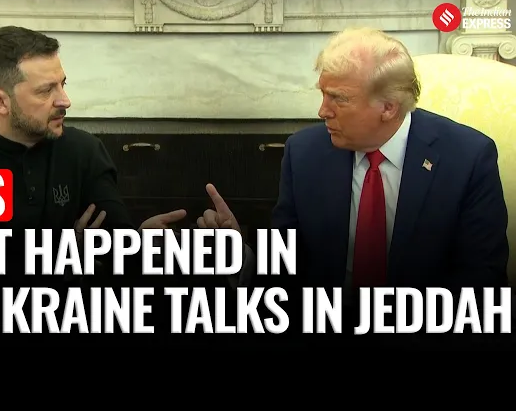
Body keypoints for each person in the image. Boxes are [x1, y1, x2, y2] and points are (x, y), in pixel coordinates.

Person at [197, 27, 510, 347]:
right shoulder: (304, 153)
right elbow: (286, 267)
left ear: (388, 107)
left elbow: (481, 281)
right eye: (322, 94)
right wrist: (241, 255)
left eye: (339, 99)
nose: (322, 111)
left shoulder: (467, 158)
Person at [0, 25, 186, 348]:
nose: (65, 101)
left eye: (63, 84)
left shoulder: (84, 151)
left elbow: (116, 255)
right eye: (45, 91)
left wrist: (142, 245)